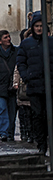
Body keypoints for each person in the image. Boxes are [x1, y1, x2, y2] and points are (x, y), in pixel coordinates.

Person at [17, 13, 53, 154]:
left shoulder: (50, 42)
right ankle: (41, 145)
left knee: (48, 115)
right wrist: (26, 76)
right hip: (34, 85)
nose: (39, 29)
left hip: (50, 84)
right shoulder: (26, 44)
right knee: (37, 116)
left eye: (41, 26)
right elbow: (21, 62)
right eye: (36, 26)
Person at [16, 28, 33, 144]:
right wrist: (16, 83)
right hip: (24, 86)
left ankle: (33, 134)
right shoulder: (23, 50)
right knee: (23, 113)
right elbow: (18, 68)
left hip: (36, 85)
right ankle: (25, 133)